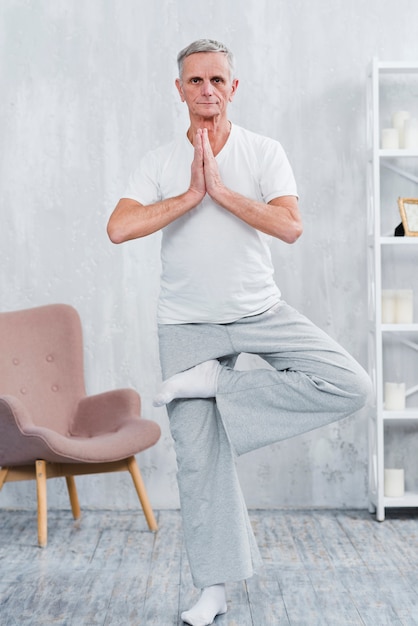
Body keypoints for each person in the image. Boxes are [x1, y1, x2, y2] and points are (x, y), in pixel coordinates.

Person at [107, 39, 371, 626]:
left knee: (351, 384)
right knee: (201, 464)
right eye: (195, 81)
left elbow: (291, 226)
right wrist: (190, 194)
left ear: (234, 87)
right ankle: (214, 592)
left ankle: (212, 385)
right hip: (186, 323)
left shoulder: (263, 151)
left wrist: (221, 192)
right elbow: (120, 228)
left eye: (217, 80)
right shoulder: (157, 161)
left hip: (261, 313)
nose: (207, 90)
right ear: (179, 90)